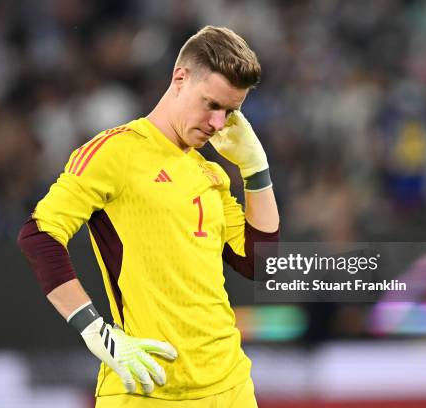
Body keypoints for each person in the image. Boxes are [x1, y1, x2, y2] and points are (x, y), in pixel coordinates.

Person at [17, 25, 279, 407]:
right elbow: (39, 235)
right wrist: (94, 330)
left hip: (231, 387)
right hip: (146, 387)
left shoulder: (211, 172)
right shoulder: (114, 152)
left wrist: (256, 170)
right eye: (211, 104)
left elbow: (262, 265)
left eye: (231, 112)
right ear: (179, 79)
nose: (219, 124)